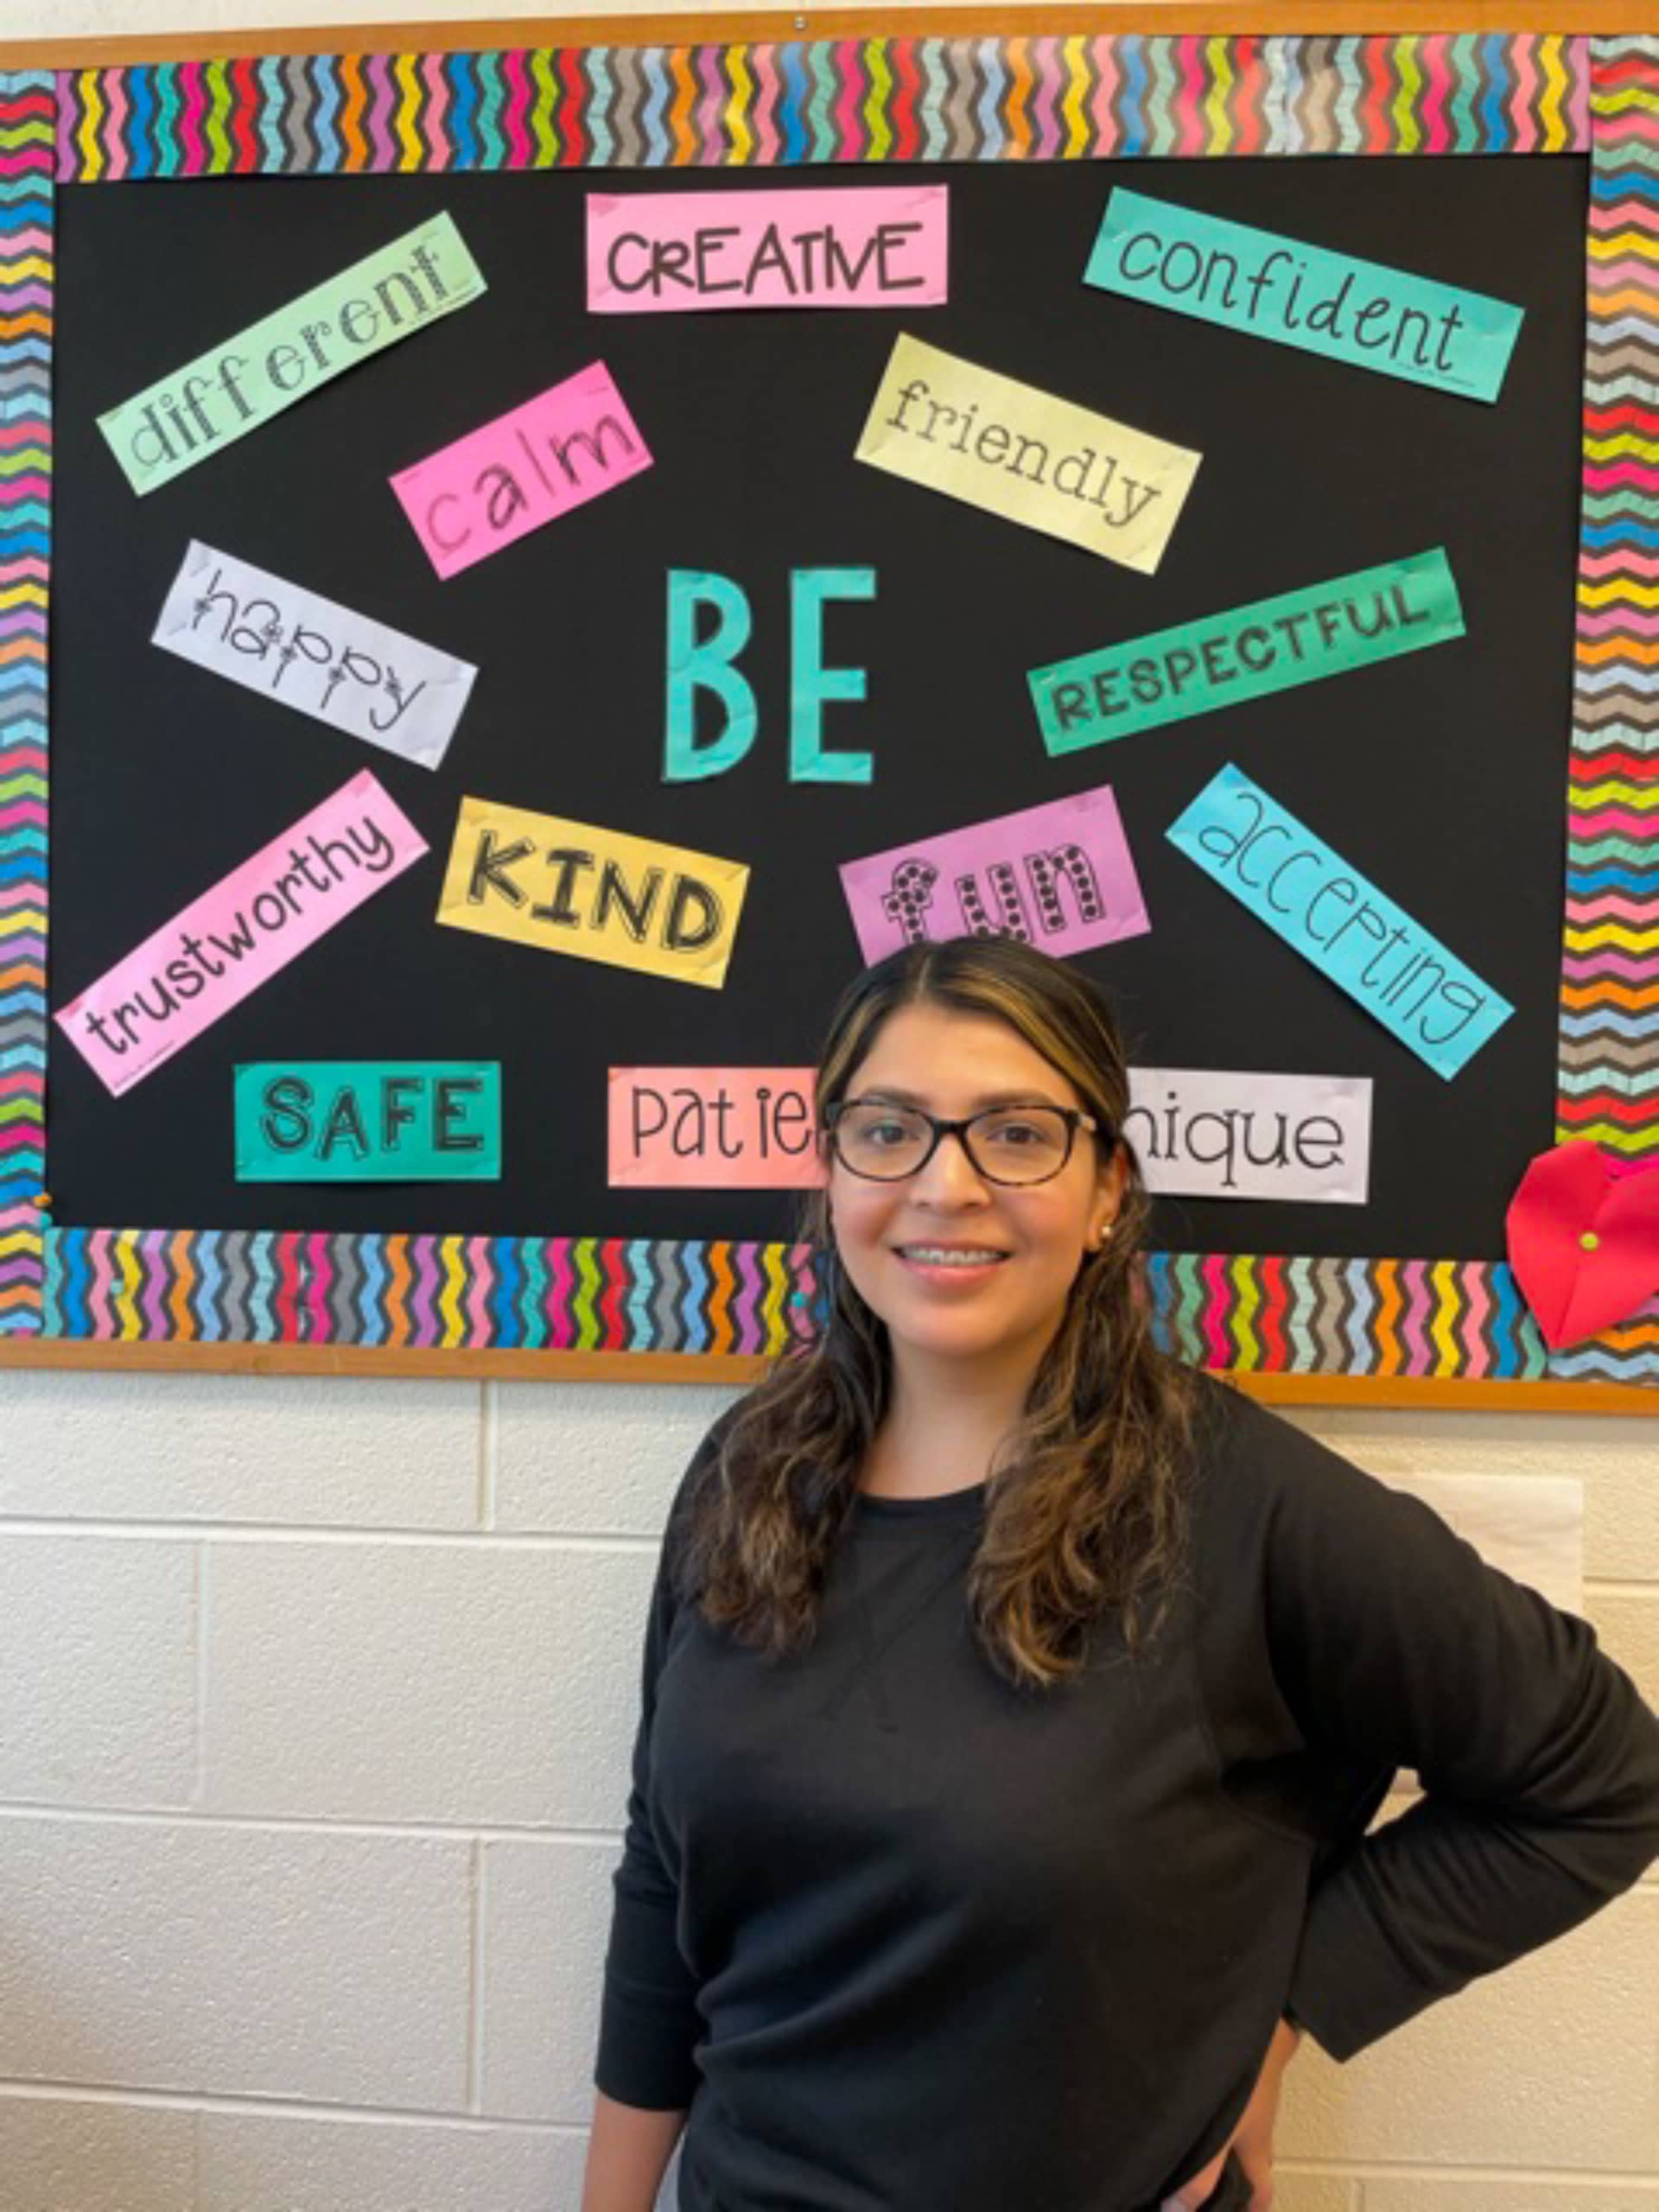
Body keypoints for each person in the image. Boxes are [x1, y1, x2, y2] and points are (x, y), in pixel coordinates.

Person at [580, 936, 1659, 2212]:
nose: (946, 1185)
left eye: (1018, 1133)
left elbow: (1602, 1783)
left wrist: (1289, 2019)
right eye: (889, 1130)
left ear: (1106, 1194)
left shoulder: (1241, 1506)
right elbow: (664, 1868)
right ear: (833, 1172)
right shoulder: (748, 1475)